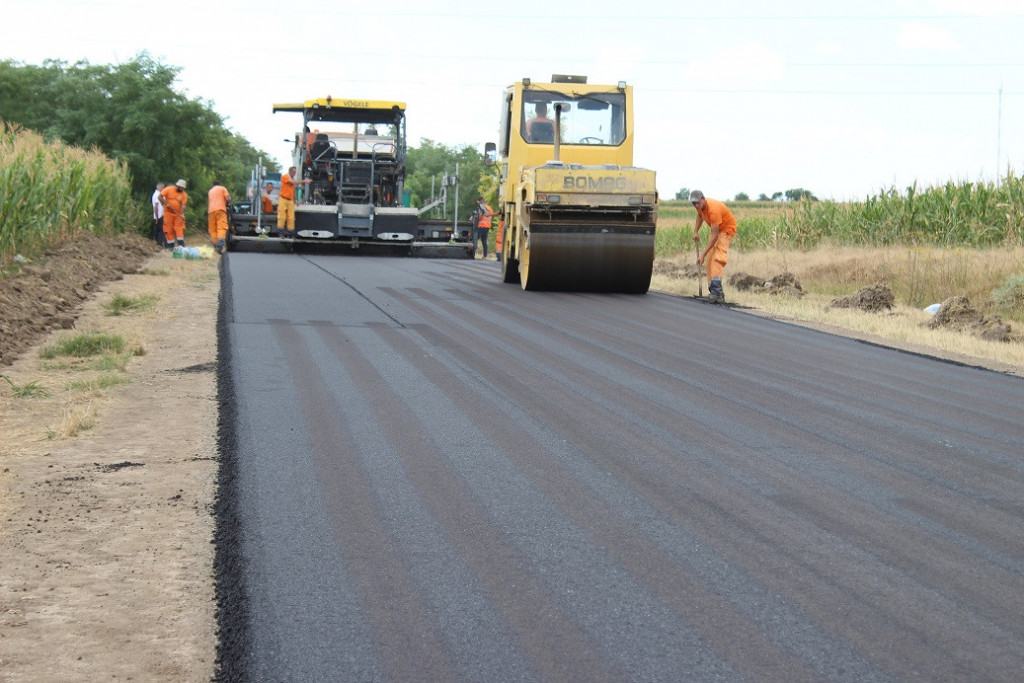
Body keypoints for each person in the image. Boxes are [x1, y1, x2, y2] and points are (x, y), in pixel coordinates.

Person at [691, 189, 738, 304]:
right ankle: (713, 292)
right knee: (709, 260)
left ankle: (717, 293)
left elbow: (714, 236)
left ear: (703, 199)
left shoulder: (713, 210)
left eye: (698, 202)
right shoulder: (699, 207)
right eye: (694, 203)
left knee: (718, 258)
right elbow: (700, 216)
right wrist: (696, 231)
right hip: (718, 231)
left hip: (727, 229)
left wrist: (702, 255)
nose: (696, 205)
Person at [278, 166, 311, 236]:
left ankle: (290, 233)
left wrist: (296, 200)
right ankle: (281, 233)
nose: (294, 173)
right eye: (293, 172)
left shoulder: (293, 179)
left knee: (291, 217)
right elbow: (292, 182)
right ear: (290, 171)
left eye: (295, 172)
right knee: (282, 216)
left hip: (290, 200)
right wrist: (304, 181)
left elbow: (293, 191)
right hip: (283, 199)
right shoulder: (285, 177)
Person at [160, 179, 189, 249]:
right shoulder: (168, 189)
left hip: (178, 214)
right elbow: (160, 197)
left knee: (179, 228)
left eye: (183, 188)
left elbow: (183, 205)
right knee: (168, 229)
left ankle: (181, 245)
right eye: (181, 187)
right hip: (168, 213)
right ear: (177, 185)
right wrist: (166, 204)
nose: (182, 189)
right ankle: (170, 246)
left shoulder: (184, 195)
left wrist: (182, 214)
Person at [207, 180, 231, 254]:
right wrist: (228, 202)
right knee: (221, 227)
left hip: (211, 211)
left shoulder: (210, 191)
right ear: (219, 184)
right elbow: (227, 198)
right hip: (220, 210)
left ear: (213, 185)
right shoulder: (222, 188)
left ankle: (215, 245)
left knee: (213, 229)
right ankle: (220, 245)